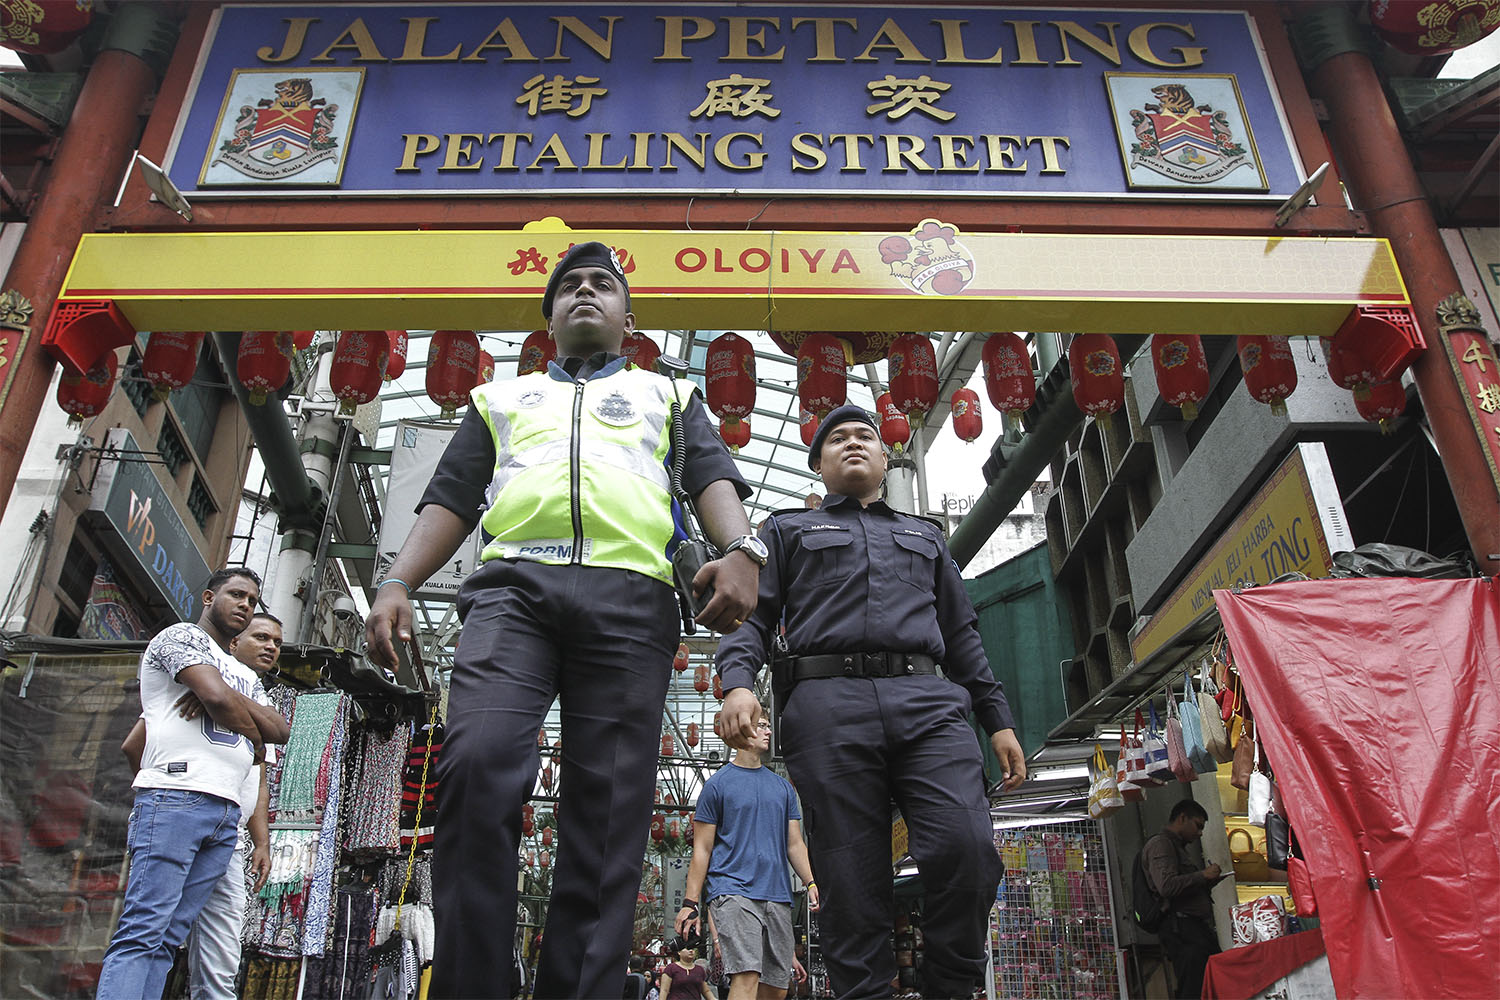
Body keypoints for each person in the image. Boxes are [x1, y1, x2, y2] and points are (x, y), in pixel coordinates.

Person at [365, 241, 761, 999]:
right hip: (513, 593)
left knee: (609, 811)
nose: (584, 292)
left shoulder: (669, 397)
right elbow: (450, 497)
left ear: (627, 315)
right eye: (568, 285)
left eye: (601, 284)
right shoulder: (500, 400)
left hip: (631, 600)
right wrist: (395, 581)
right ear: (547, 315)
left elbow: (712, 475)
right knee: (476, 765)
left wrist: (741, 547)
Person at [715, 404, 1028, 999]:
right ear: (819, 464)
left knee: (968, 849)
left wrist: (999, 721)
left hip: (928, 704)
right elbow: (751, 618)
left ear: (887, 459)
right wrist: (736, 682)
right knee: (851, 880)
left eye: (866, 436)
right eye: (837, 439)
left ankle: (951, 988)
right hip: (828, 708)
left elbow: (962, 636)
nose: (854, 443)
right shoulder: (785, 531)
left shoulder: (925, 536)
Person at [97, 568, 291, 1000]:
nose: (245, 605)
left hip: (225, 815)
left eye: (252, 600)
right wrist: (247, 728)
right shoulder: (179, 638)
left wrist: (222, 693)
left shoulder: (241, 673)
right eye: (236, 594)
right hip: (177, 794)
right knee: (143, 931)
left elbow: (280, 728)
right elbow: (223, 704)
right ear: (208, 596)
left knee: (168, 939)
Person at [675, 701, 815, 1000]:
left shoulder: (784, 789)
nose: (767, 731)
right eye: (761, 725)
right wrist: (689, 902)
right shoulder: (716, 787)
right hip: (732, 890)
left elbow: (794, 843)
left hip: (776, 894)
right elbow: (702, 849)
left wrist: (810, 881)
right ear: (743, 729)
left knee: (777, 988)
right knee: (747, 975)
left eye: (767, 725)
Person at [1142, 800, 1226, 1000]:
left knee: (1212, 982)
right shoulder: (1161, 844)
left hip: (1194, 930)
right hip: (1183, 930)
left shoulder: (1176, 847)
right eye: (1197, 826)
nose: (1200, 833)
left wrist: (1207, 882)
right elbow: (1167, 886)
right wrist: (1203, 876)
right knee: (1194, 988)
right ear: (1182, 818)